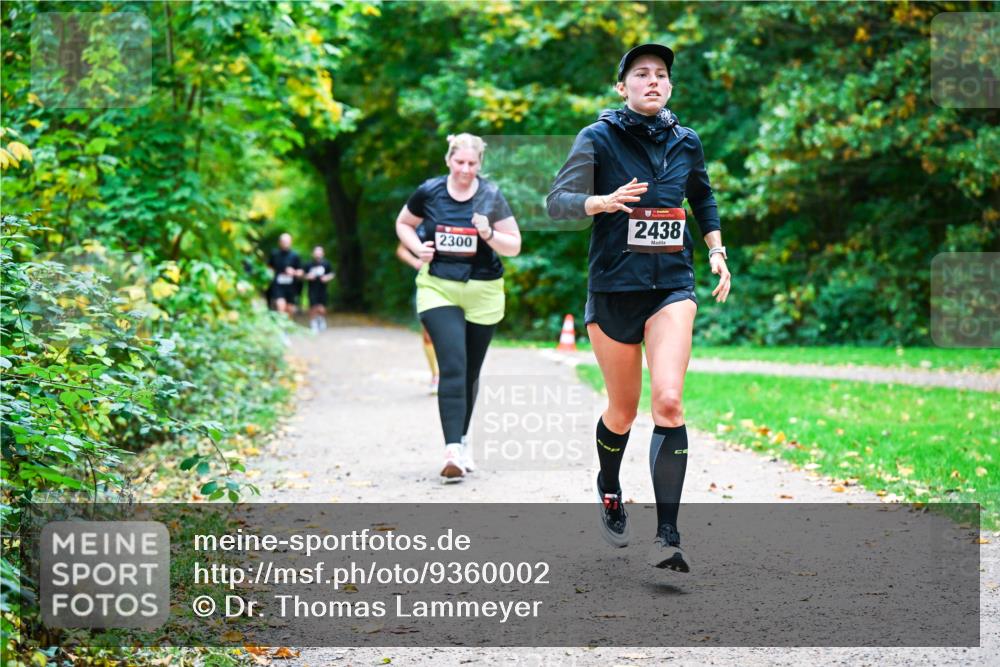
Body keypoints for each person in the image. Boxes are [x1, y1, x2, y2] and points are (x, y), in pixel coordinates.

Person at [547, 44, 731, 571]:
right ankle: (609, 485)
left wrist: (716, 250)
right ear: (621, 86)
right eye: (642, 74)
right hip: (614, 289)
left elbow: (703, 197)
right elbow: (557, 202)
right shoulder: (597, 137)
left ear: (670, 85)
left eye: (661, 74)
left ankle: (668, 536)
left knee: (668, 402)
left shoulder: (686, 141)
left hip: (671, 285)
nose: (653, 81)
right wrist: (600, 202)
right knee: (623, 411)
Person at [395, 133, 522, 483]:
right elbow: (404, 224)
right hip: (438, 287)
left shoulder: (491, 195)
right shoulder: (429, 191)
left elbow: (514, 245)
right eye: (459, 162)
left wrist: (489, 235)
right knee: (453, 364)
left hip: (483, 290)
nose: (465, 169)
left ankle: (463, 440)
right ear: (448, 160)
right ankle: (451, 450)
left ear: (480, 164)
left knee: (470, 371)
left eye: (472, 163)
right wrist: (417, 248)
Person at [396, 233, 440, 395]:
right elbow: (401, 249)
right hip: (428, 282)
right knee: (428, 332)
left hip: (459, 281)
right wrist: (416, 262)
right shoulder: (419, 222)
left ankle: (457, 374)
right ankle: (436, 376)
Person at [267, 233, 303, 317]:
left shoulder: (295, 255)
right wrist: (270, 274)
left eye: (287, 241)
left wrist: (293, 272)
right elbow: (269, 267)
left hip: (291, 286)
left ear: (291, 242)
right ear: (279, 242)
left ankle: (287, 323)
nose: (285, 243)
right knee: (281, 306)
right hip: (278, 285)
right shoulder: (274, 254)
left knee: (290, 309)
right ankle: (281, 323)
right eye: (283, 241)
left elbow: (301, 272)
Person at [304, 245, 335, 332]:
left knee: (322, 308)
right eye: (316, 253)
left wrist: (327, 278)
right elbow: (303, 274)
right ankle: (313, 323)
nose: (318, 254)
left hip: (323, 289)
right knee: (313, 306)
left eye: (319, 253)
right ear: (313, 254)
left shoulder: (326, 264)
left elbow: (332, 274)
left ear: (323, 254)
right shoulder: (308, 264)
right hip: (312, 289)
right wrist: (308, 276)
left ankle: (321, 319)